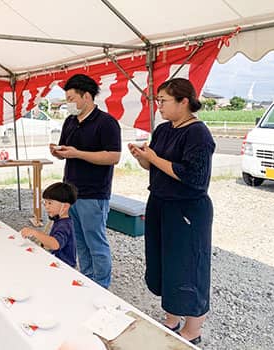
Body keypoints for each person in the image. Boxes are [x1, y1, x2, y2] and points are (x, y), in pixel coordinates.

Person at [128, 78, 215, 345]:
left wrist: (154, 158)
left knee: (189, 265)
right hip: (160, 201)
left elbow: (195, 178)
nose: (159, 106)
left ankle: (193, 329)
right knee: (164, 260)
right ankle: (171, 316)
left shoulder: (198, 133)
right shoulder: (165, 129)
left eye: (163, 101)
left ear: (184, 101)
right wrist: (144, 158)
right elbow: (155, 168)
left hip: (187, 208)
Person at [50, 74, 121, 288]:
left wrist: (78, 153)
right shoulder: (70, 121)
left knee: (96, 242)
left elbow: (113, 156)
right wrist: (58, 153)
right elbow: (67, 151)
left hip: (94, 193)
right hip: (70, 193)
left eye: (71, 98)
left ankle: (102, 285)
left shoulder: (106, 123)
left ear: (87, 96)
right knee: (79, 241)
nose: (69, 103)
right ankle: (87, 279)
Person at [20, 182, 77, 268]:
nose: (46, 207)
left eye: (50, 203)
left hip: (64, 268)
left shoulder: (64, 225)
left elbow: (55, 244)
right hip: (58, 263)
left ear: (65, 206)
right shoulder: (59, 220)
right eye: (45, 203)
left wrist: (35, 233)